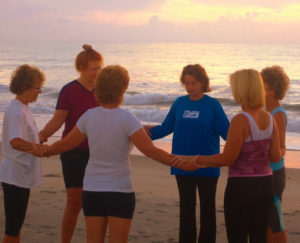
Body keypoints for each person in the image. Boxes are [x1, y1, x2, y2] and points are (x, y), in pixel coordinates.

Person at [32, 65, 196, 243]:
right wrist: (181, 163)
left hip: (93, 191)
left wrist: (43, 151)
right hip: (120, 191)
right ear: (123, 89)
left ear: (99, 88)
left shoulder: (89, 116)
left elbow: (65, 144)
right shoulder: (128, 119)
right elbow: (151, 152)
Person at [175, 69, 282, 243]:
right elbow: (276, 157)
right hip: (265, 186)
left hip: (241, 187)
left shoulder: (240, 120)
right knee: (259, 236)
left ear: (241, 90)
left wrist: (196, 159)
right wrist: (283, 149)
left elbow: (227, 158)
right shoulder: (270, 118)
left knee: (237, 237)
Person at [145, 64, 229, 243]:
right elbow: (165, 128)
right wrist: (139, 133)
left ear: (203, 83)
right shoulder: (179, 103)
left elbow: (228, 133)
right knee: (186, 209)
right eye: (187, 83)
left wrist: (249, 140)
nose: (190, 87)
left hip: (206, 164)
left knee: (207, 209)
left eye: (194, 83)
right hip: (181, 163)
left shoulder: (213, 105)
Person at [38, 44, 103, 243]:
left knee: (96, 203)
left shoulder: (103, 91)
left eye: (100, 68)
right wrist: (39, 137)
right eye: (94, 69)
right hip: (73, 152)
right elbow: (57, 121)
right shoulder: (69, 90)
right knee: (74, 202)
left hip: (98, 153)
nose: (98, 72)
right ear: (81, 68)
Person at [0, 64, 45, 243]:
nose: (40, 92)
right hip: (14, 176)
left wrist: (39, 139)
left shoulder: (24, 107)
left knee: (16, 225)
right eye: (37, 88)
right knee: (12, 227)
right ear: (24, 86)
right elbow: (16, 141)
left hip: (21, 175)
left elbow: (26, 136)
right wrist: (38, 149)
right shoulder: (16, 109)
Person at [261, 65, 290, 243]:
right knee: (264, 221)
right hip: (263, 172)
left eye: (261, 84)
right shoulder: (263, 111)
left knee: (275, 219)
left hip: (275, 173)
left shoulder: (278, 114)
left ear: (272, 88)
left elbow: (281, 147)